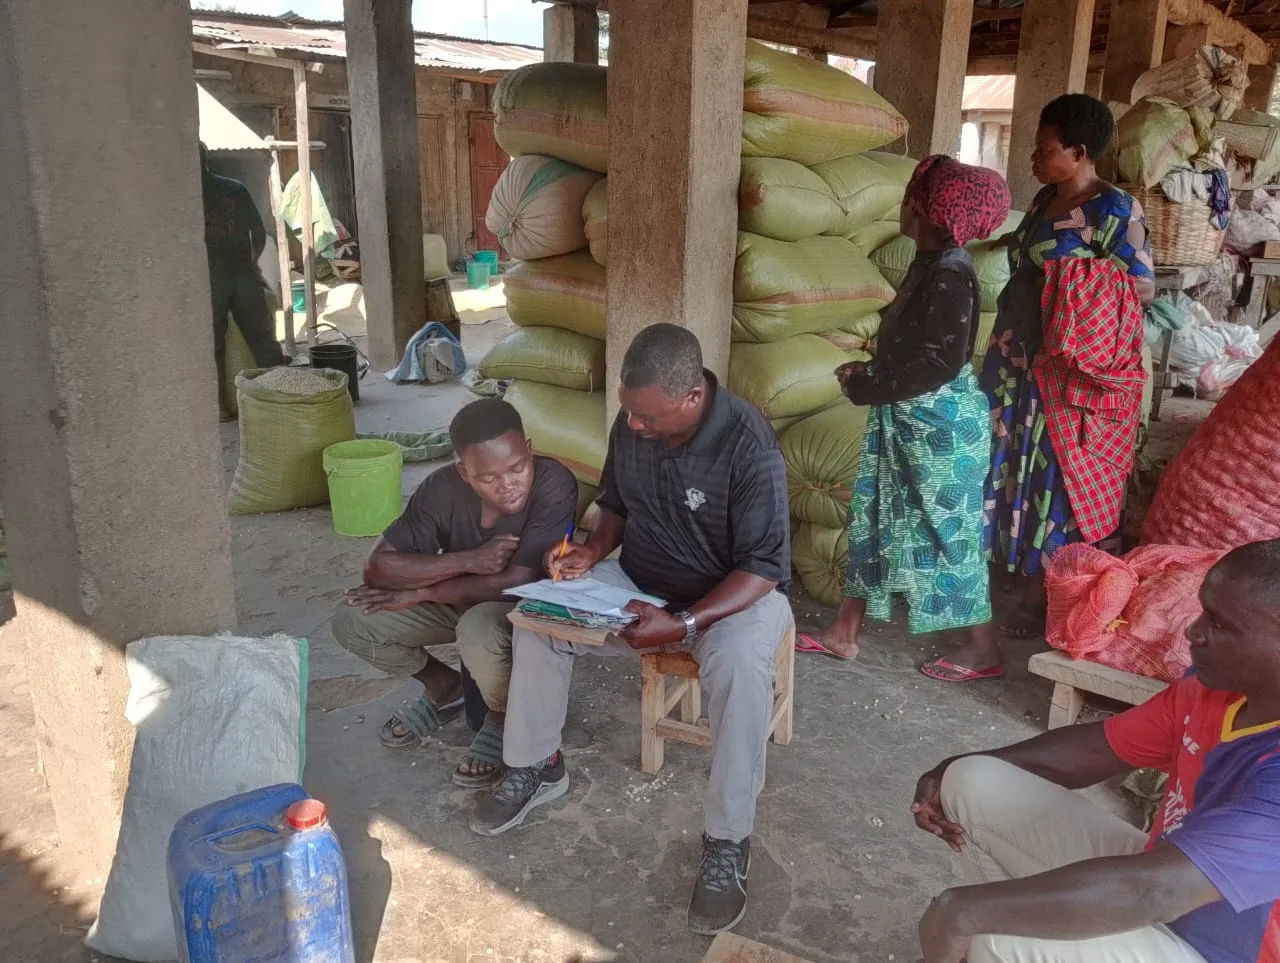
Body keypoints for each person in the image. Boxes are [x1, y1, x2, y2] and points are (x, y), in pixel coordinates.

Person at [468, 324, 792, 937]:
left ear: (692, 396)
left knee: (741, 667)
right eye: (629, 412)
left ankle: (727, 842)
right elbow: (616, 501)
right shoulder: (634, 419)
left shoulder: (749, 445)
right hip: (642, 579)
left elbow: (764, 568)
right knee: (540, 616)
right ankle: (536, 765)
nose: (635, 426)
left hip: (731, 597)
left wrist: (687, 622)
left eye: (647, 417)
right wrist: (592, 553)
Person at [910, 539, 1280, 963]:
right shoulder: (1215, 693)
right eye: (1203, 611)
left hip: (1218, 946)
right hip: (1166, 883)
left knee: (996, 936)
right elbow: (1098, 750)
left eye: (1220, 624)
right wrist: (946, 771)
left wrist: (963, 913)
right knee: (972, 780)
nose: (1193, 632)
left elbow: (1156, 890)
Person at [926, 93, 1156, 682]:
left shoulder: (1115, 209)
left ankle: (1038, 589)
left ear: (1079, 152)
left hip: (1065, 369)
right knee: (1007, 465)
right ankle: (1011, 561)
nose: (1033, 155)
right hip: (1015, 357)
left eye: (1046, 147)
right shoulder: (1046, 199)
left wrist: (1073, 282)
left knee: (1052, 472)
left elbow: (1142, 289)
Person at [795, 155, 1011, 663]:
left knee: (945, 531)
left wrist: (869, 385)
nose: (903, 203)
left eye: (912, 195)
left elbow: (937, 365)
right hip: (908, 416)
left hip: (939, 428)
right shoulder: (933, 265)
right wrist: (873, 372)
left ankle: (984, 649)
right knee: (875, 518)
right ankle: (845, 631)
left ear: (927, 212)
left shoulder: (951, 276)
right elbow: (921, 349)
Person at [331, 398, 577, 788]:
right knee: (352, 620)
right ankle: (442, 687)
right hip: (456, 596)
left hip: (518, 611)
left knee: (477, 630)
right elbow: (378, 569)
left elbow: (516, 580)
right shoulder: (440, 488)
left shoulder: (554, 484)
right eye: (488, 477)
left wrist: (421, 592)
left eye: (517, 467)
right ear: (464, 472)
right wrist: (467, 559)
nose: (509, 483)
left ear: (529, 450)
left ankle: (500, 715)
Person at [200, 142, 286, 417]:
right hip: (242, 273)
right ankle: (280, 398)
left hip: (210, 280)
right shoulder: (233, 188)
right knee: (263, 339)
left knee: (212, 344)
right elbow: (258, 234)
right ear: (206, 160)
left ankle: (219, 408)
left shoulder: (181, 196)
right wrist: (250, 262)